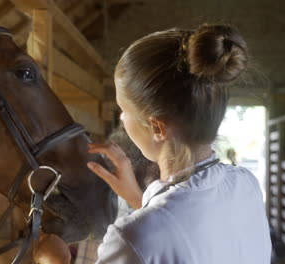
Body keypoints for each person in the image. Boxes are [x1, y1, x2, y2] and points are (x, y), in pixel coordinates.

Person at [87, 24, 271, 263]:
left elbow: (156, 239)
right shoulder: (246, 185)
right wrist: (136, 198)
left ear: (157, 128)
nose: (122, 118)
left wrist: (53, 258)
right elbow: (188, 231)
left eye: (124, 110)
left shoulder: (131, 238)